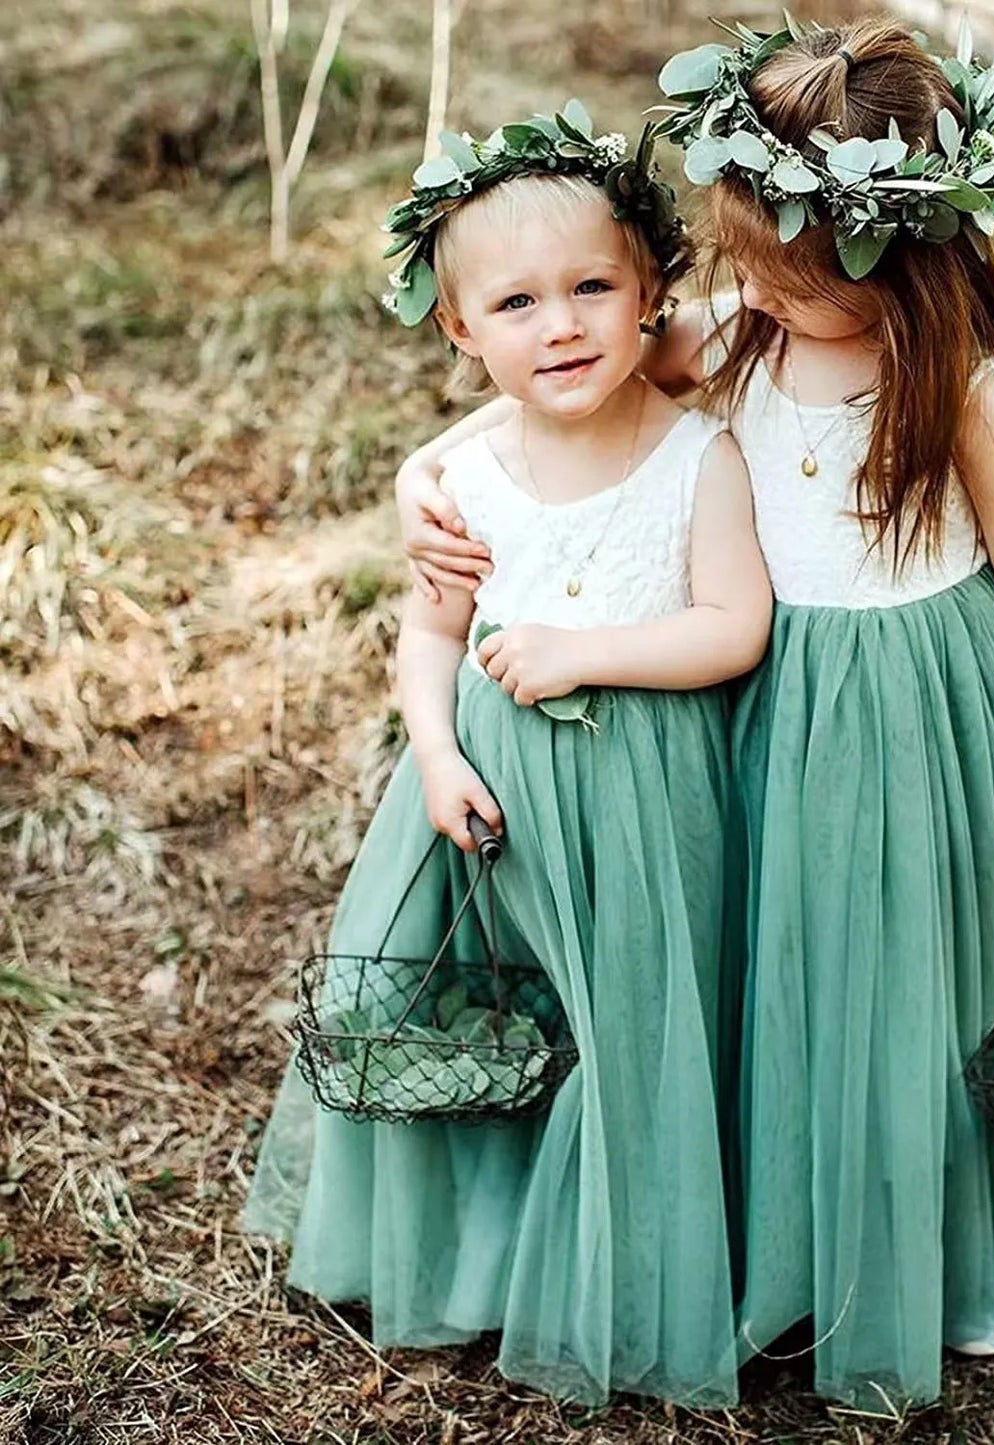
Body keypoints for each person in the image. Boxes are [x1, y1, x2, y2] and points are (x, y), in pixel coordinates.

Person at [396, 21, 994, 1412]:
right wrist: (422, 469)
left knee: (904, 983)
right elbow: (558, 396)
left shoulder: (964, 392)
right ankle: (781, 1231)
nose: (741, 280)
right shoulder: (741, 332)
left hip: (916, 715)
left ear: (892, 256)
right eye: (740, 251)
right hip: (768, 708)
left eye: (779, 262)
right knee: (784, 973)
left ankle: (933, 1257)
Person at [245, 102, 772, 1408]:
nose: (563, 325)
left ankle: (627, 1262)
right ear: (460, 328)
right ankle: (482, 1255)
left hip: (648, 805)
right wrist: (432, 752)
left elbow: (733, 627)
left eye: (594, 287)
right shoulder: (466, 480)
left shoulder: (697, 457)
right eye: (518, 303)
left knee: (626, 1026)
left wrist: (587, 653)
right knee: (487, 1022)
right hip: (487, 795)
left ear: (652, 294)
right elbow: (429, 640)